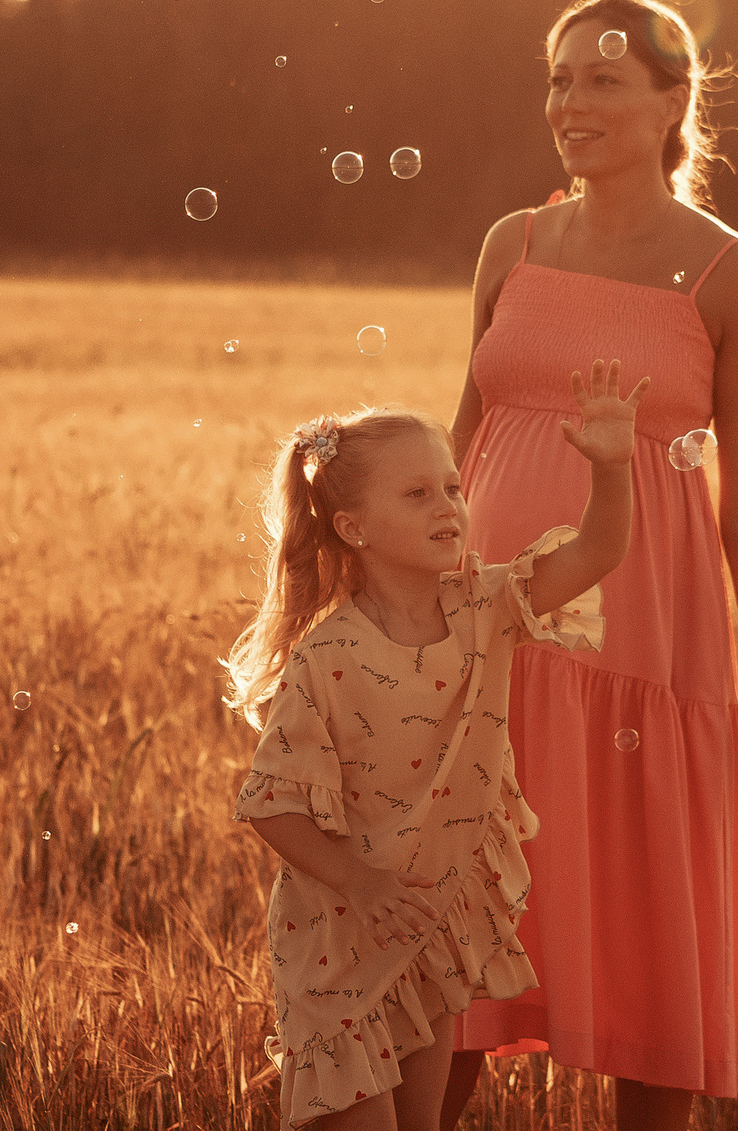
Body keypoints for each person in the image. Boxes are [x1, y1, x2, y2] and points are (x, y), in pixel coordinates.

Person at [440, 0, 738, 1131]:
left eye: (601, 79)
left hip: (645, 650)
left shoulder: (728, 275)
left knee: (651, 948)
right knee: (444, 973)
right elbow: (461, 438)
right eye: (558, 80)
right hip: (489, 641)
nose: (570, 103)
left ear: (672, 101)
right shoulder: (512, 243)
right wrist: (398, 605)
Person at [226, 364, 648, 1129]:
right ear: (353, 527)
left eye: (453, 487)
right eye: (418, 493)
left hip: (426, 932)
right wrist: (361, 883)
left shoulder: (487, 604)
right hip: (340, 946)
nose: (448, 506)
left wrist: (613, 465)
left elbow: (596, 551)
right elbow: (270, 805)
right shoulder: (328, 658)